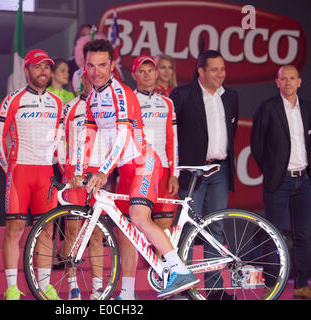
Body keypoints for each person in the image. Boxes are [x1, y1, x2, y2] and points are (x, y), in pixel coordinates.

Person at [70, 39, 198, 300]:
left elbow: (123, 138)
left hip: (143, 164)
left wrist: (104, 171)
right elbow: (88, 138)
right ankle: (127, 294)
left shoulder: (121, 94)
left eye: (102, 65)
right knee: (125, 231)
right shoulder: (93, 98)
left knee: (139, 218)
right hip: (125, 171)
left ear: (112, 65)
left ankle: (179, 270)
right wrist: (79, 171)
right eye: (91, 66)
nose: (96, 71)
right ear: (84, 67)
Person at [0, 49, 64, 300]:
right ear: (27, 70)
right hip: (19, 171)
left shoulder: (57, 102)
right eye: (37, 66)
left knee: (47, 229)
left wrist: (62, 170)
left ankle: (44, 285)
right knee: (14, 229)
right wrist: (7, 167)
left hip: (46, 173)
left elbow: (60, 141)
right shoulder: (13, 99)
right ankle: (12, 287)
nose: (43, 71)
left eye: (46, 67)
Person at [107, 55, 179, 299]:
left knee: (162, 229)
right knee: (127, 234)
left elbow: (173, 141)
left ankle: (166, 282)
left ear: (157, 74)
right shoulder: (128, 101)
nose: (147, 75)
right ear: (134, 75)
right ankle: (127, 293)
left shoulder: (167, 103)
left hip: (162, 173)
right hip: (131, 172)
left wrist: (175, 173)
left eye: (151, 70)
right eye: (142, 71)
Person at [169, 50, 239, 300]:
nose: (220, 74)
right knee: (186, 229)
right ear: (201, 71)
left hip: (220, 170)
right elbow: (172, 135)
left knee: (215, 228)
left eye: (223, 69)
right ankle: (181, 287)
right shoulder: (183, 94)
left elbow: (231, 134)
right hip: (193, 173)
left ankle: (215, 288)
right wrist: (174, 170)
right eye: (215, 69)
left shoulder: (230, 97)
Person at [251, 65, 311, 300]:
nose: (289, 82)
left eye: (293, 78)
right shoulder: (268, 108)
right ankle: (271, 285)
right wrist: (272, 172)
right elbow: (257, 146)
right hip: (278, 181)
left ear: (299, 82)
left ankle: (301, 285)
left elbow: (308, 143)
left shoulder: (309, 108)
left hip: (302, 179)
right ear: (277, 82)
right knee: (273, 234)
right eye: (284, 79)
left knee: (301, 234)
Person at [61, 72, 111, 299]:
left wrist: (107, 170)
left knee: (98, 234)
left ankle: (98, 288)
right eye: (88, 77)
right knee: (72, 232)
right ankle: (73, 287)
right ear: (81, 79)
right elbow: (58, 141)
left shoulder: (107, 106)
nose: (92, 80)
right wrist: (67, 170)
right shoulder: (69, 107)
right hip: (75, 174)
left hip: (99, 173)